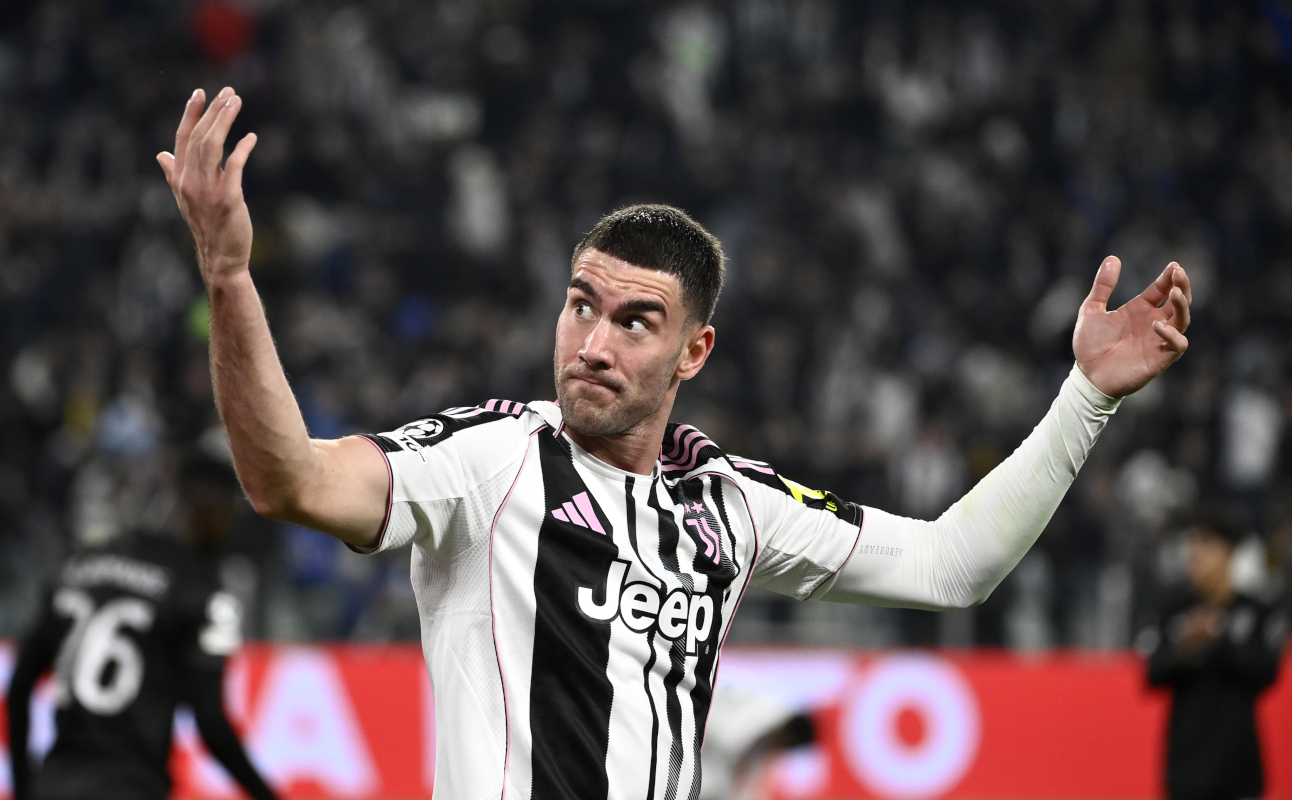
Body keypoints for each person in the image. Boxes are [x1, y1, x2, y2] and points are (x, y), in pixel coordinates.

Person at [155, 87, 1193, 799]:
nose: (591, 342)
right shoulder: (489, 458)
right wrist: (231, 279)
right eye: (578, 305)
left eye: (633, 321)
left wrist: (1085, 397)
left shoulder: (728, 503)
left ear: (693, 348)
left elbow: (951, 565)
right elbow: (285, 477)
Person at [6, 454, 278, 800]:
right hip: (130, 784)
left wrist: (23, 787)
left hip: (56, 783)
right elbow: (211, 724)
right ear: (212, 510)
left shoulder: (78, 565)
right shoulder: (200, 590)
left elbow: (19, 688)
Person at [1143, 511, 1287, 800]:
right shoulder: (1174, 610)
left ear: (1229, 552)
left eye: (1204, 547)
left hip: (1239, 770)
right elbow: (1152, 675)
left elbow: (1266, 673)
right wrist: (1183, 647)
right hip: (1185, 770)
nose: (1193, 557)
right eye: (1191, 548)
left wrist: (1220, 639)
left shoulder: (1256, 611)